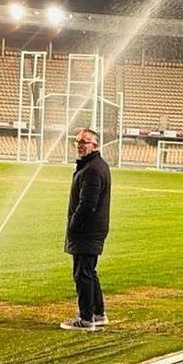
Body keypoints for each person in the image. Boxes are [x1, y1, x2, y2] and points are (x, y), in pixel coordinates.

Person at [61, 128, 111, 331]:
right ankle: (98, 314)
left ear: (95, 145)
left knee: (82, 274)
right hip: (91, 229)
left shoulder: (93, 169)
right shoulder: (93, 166)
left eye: (84, 142)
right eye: (78, 141)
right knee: (89, 272)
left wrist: (73, 225)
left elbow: (88, 204)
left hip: (87, 231)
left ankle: (86, 319)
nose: (80, 145)